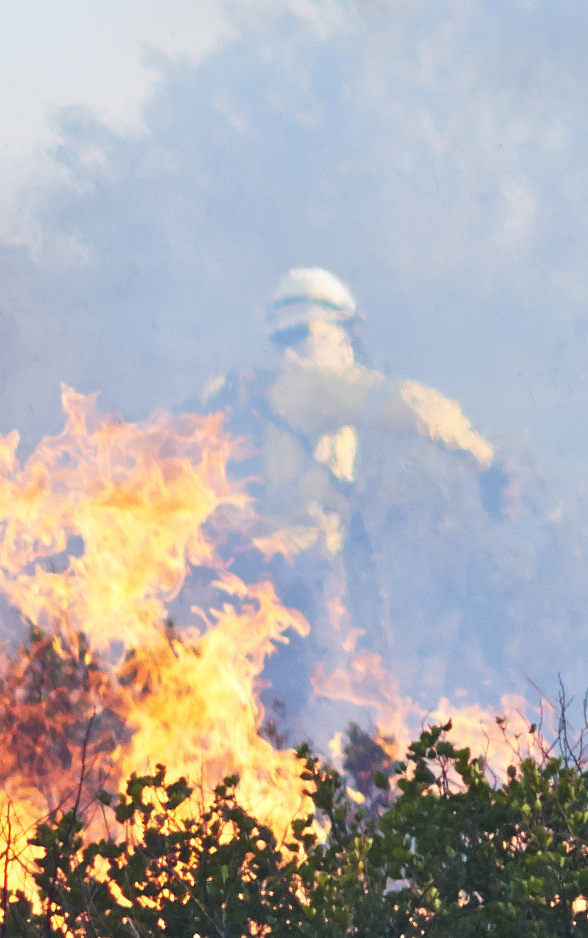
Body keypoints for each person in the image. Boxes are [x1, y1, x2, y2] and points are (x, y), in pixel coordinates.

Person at [207, 265, 503, 704]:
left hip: (234, 581)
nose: (350, 349)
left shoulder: (239, 392)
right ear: (323, 330)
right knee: (321, 710)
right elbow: (410, 406)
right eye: (345, 335)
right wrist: (487, 459)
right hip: (301, 579)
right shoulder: (312, 386)